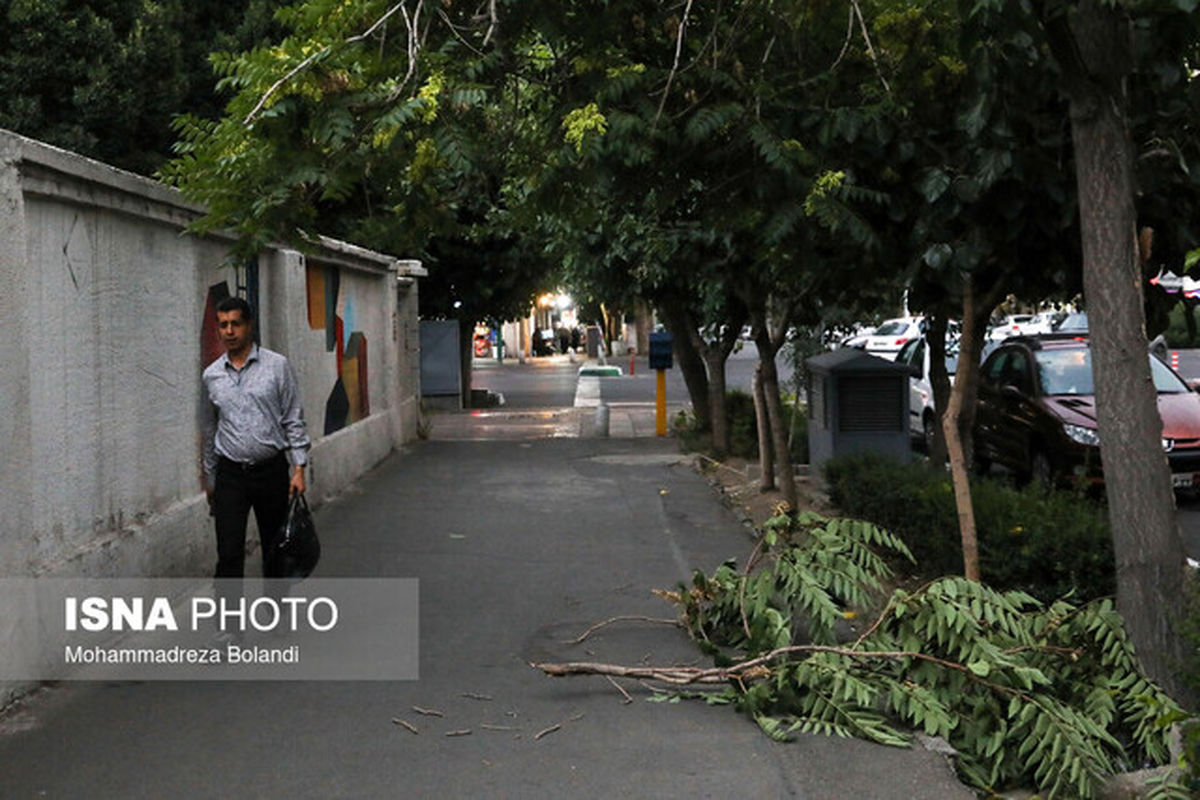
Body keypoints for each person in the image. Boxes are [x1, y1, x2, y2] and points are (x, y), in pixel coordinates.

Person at [201, 296, 310, 582]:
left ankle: (275, 616)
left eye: (235, 323)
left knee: (275, 549)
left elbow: (293, 417)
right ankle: (230, 624)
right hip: (230, 474)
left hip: (270, 472)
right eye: (223, 325)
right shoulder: (211, 376)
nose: (229, 331)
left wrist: (299, 467)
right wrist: (211, 479)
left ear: (249, 325)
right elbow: (209, 428)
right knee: (228, 552)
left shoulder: (277, 367)